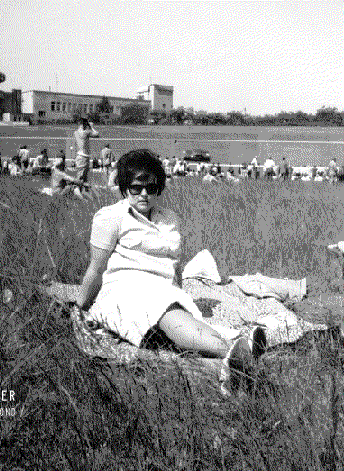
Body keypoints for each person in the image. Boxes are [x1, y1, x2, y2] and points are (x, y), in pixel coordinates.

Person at [75, 149, 266, 395]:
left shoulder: (170, 219)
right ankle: (236, 353)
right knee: (163, 308)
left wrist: (180, 296)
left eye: (151, 188)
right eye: (136, 188)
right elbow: (96, 268)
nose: (144, 194)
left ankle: (235, 355)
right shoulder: (111, 217)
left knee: (176, 311)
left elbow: (174, 264)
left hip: (162, 288)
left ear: (159, 189)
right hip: (124, 288)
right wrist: (80, 306)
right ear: (124, 188)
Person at [74, 117, 99, 193]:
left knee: (83, 178)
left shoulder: (76, 132)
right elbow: (97, 134)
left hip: (81, 156)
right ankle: (77, 193)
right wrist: (91, 127)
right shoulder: (85, 132)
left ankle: (84, 193)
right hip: (83, 157)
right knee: (81, 178)